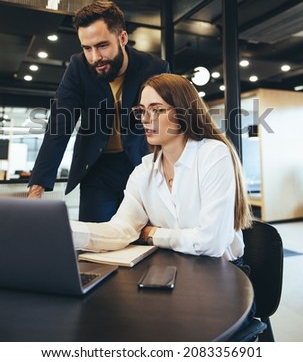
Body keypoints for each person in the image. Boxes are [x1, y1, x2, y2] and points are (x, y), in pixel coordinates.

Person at [71, 73, 253, 261]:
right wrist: (63, 229)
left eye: (157, 110)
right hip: (177, 266)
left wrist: (153, 234)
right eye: (141, 110)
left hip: (222, 273)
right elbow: (120, 230)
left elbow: (211, 243)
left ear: (183, 112)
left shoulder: (213, 154)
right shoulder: (144, 170)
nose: (145, 119)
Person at [28, 0, 170, 221]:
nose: (95, 58)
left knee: (145, 240)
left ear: (122, 38)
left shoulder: (155, 68)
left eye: (102, 46)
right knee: (95, 244)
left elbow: (168, 125)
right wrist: (36, 192)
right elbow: (60, 125)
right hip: (97, 169)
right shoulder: (78, 68)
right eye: (87, 48)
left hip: (142, 166)